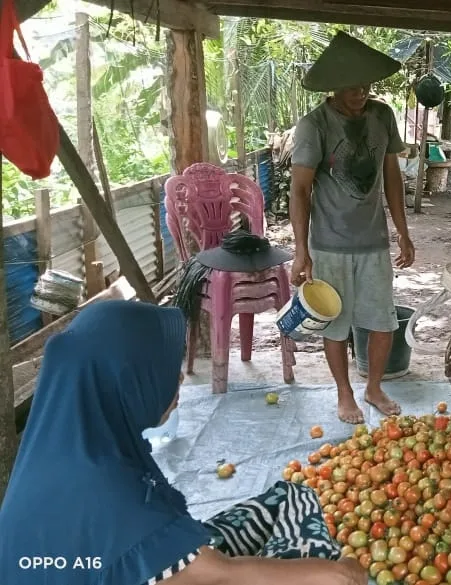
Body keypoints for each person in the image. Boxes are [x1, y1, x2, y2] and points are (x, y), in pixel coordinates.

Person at [0, 301, 365, 585]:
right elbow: (218, 575)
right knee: (318, 564)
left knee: (292, 496)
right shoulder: (102, 491)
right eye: (161, 372)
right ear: (129, 383)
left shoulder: (71, 447)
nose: (177, 381)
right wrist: (343, 572)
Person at [289, 32, 414, 424]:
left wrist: (402, 231)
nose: (360, 90)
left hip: (373, 241)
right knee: (337, 325)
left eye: (366, 83)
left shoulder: (382, 117)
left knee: (382, 320)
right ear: (333, 86)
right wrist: (301, 250)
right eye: (351, 84)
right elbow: (300, 189)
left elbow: (391, 175)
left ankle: (374, 387)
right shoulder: (314, 125)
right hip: (329, 245)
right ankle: (345, 394)